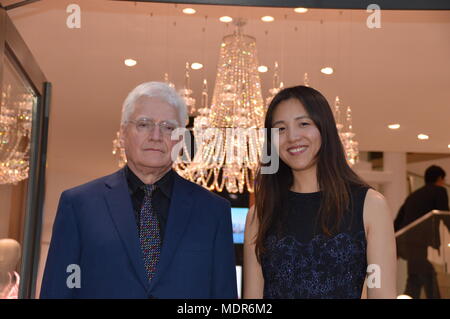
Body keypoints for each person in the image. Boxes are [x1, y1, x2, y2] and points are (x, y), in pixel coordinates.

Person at [40, 82, 237, 298]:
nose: (156, 135)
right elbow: (58, 289)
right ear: (123, 133)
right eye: (144, 124)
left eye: (168, 127)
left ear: (181, 139)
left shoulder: (213, 211)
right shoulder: (79, 204)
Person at [244, 85, 397, 299]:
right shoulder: (259, 215)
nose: (292, 137)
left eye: (303, 123)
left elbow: (382, 294)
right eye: (280, 129)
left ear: (324, 128)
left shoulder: (371, 205)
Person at [394, 165, 449, 299]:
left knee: (415, 277)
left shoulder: (413, 196)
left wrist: (394, 244)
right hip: (420, 241)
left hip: (407, 241)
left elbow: (397, 221)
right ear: (439, 178)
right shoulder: (439, 191)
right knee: (426, 274)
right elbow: (444, 214)